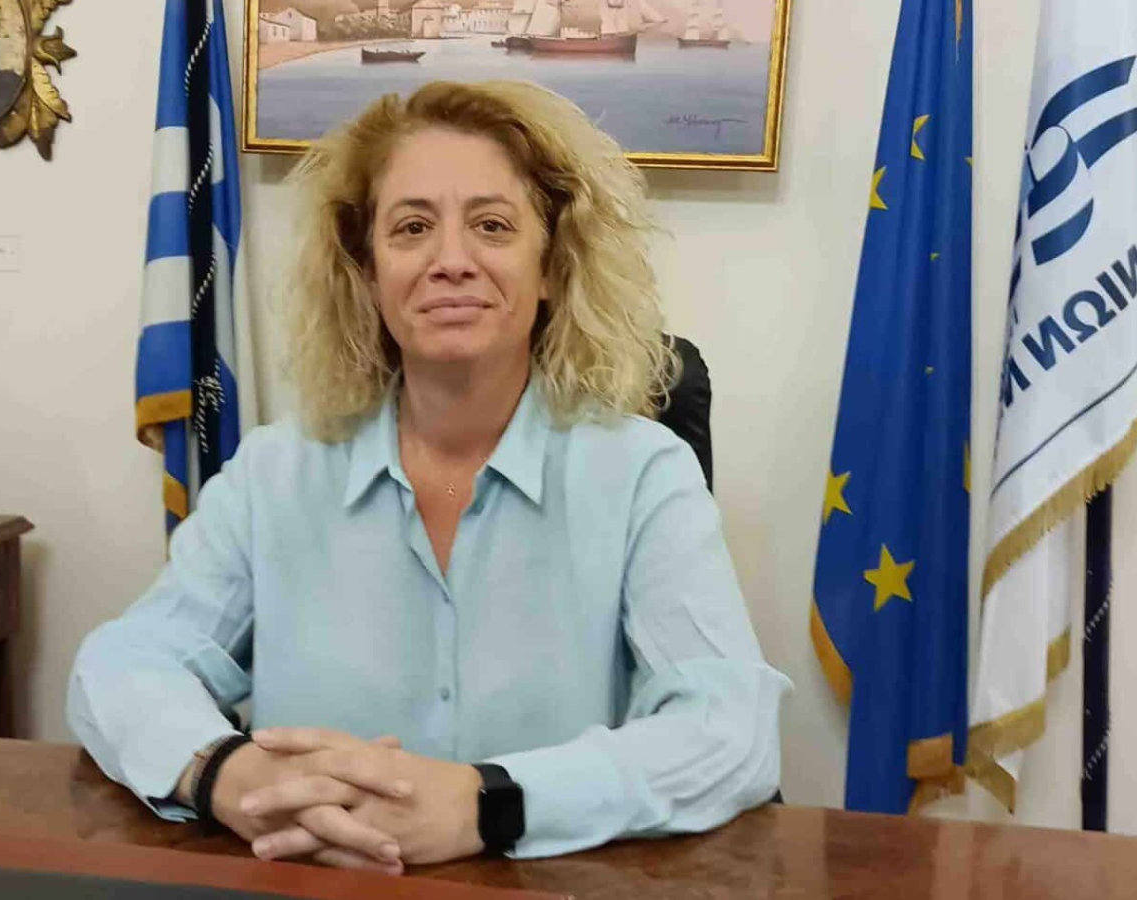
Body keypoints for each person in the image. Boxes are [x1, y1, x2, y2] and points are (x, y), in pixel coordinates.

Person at [68, 80, 789, 874]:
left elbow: (732, 731)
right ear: (367, 271)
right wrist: (226, 775)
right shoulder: (277, 472)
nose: (451, 262)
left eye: (492, 225)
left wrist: (489, 803)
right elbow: (119, 666)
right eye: (412, 228)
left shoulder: (643, 473)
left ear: (551, 266)